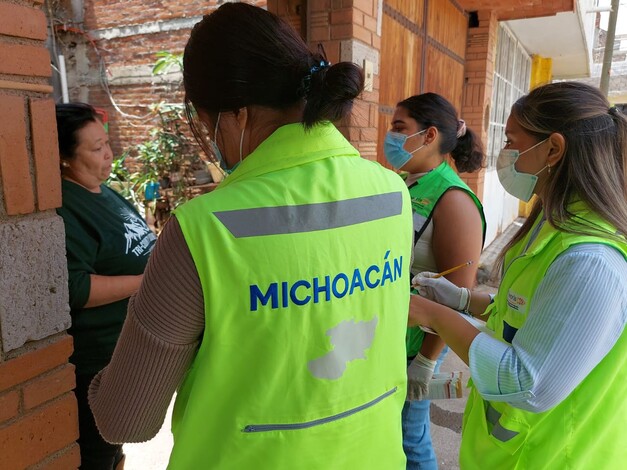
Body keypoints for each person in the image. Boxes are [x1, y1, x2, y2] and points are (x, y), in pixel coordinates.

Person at [88, 3, 414, 469]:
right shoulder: (392, 194)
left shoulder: (204, 229)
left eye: (205, 122)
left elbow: (126, 421)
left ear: (237, 115)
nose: (209, 138)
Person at [410, 81, 627, 468]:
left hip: (550, 457)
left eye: (512, 141)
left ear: (553, 149)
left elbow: (528, 383)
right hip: (506, 451)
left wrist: (431, 315)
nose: (504, 154)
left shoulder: (591, 262)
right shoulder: (551, 225)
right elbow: (534, 316)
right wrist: (462, 300)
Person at [383, 93, 485, 469]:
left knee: (410, 437)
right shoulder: (406, 184)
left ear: (428, 136)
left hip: (416, 343)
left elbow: (456, 294)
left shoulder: (453, 199)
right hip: (391, 335)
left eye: (399, 129)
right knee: (392, 434)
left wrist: (425, 362)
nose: (390, 137)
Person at [55, 102, 157, 469]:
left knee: (114, 446)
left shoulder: (102, 190)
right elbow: (74, 288)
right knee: (97, 454)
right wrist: (148, 282)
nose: (109, 153)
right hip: (98, 359)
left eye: (107, 142)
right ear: (65, 158)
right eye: (96, 148)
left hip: (125, 353)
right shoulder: (66, 206)